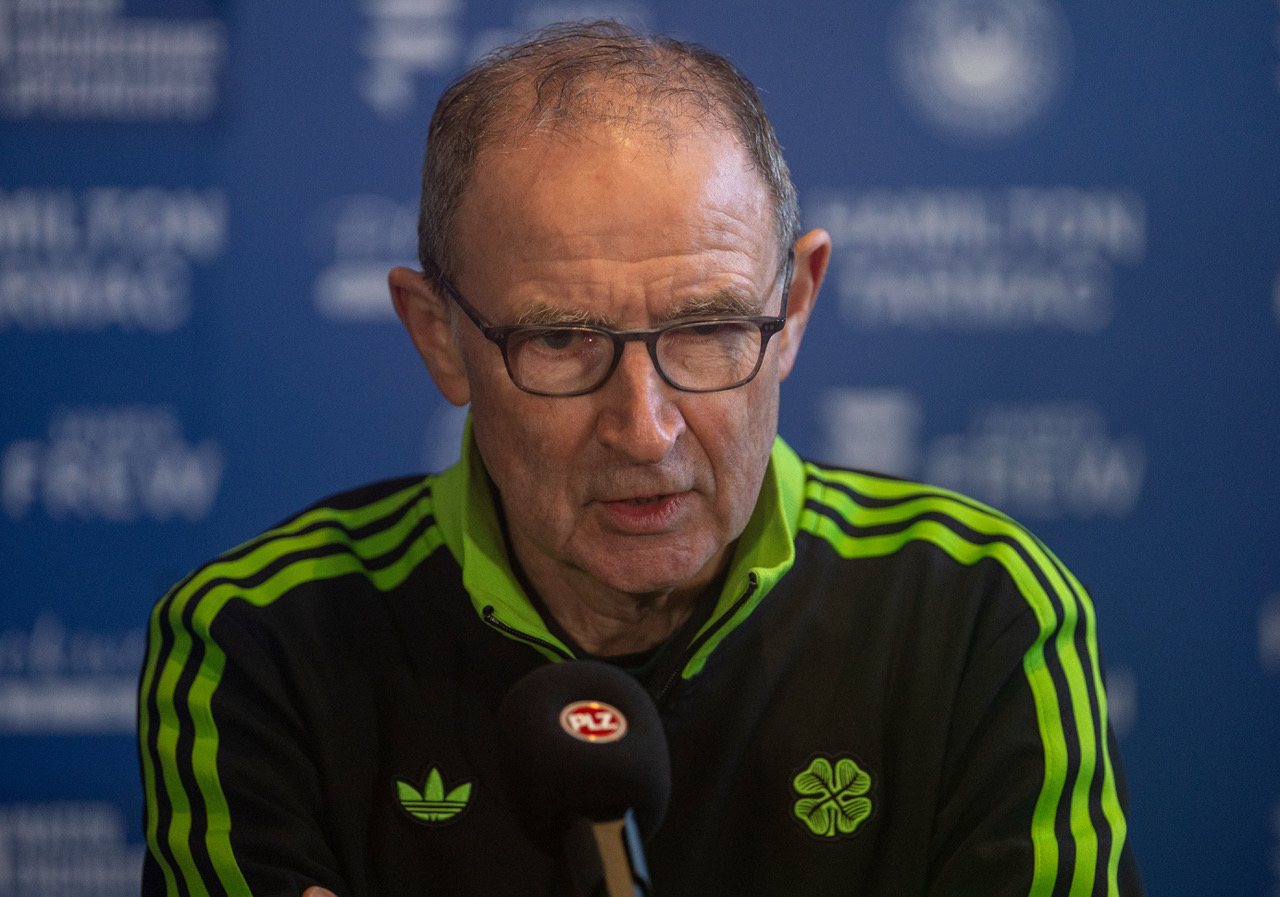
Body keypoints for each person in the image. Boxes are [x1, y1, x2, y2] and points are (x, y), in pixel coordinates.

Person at [138, 20, 1142, 897]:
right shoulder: (255, 642)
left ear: (792, 309)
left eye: (706, 329)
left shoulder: (976, 612)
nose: (645, 428)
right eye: (563, 340)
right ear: (437, 334)